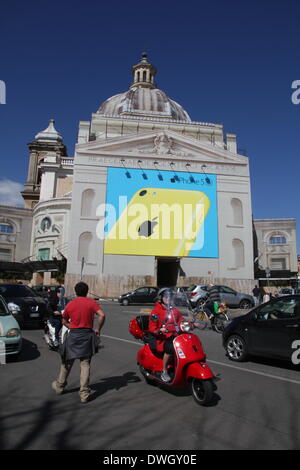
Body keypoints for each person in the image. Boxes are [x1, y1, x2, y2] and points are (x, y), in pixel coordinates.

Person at [51, 281, 105, 403]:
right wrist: (98, 329)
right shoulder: (91, 303)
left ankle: (59, 386)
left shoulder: (71, 304)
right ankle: (84, 394)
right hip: (87, 336)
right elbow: (102, 315)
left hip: (74, 336)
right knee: (85, 364)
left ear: (76, 292)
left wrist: (72, 326)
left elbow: (63, 320)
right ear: (87, 291)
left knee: (67, 362)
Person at [148, 288, 185, 383]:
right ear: (161, 298)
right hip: (162, 338)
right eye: (165, 297)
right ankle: (164, 371)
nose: (168, 299)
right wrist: (159, 330)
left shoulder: (174, 310)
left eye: (170, 297)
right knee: (170, 347)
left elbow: (182, 320)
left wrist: (192, 324)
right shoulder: (156, 311)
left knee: (189, 341)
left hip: (175, 335)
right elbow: (152, 327)